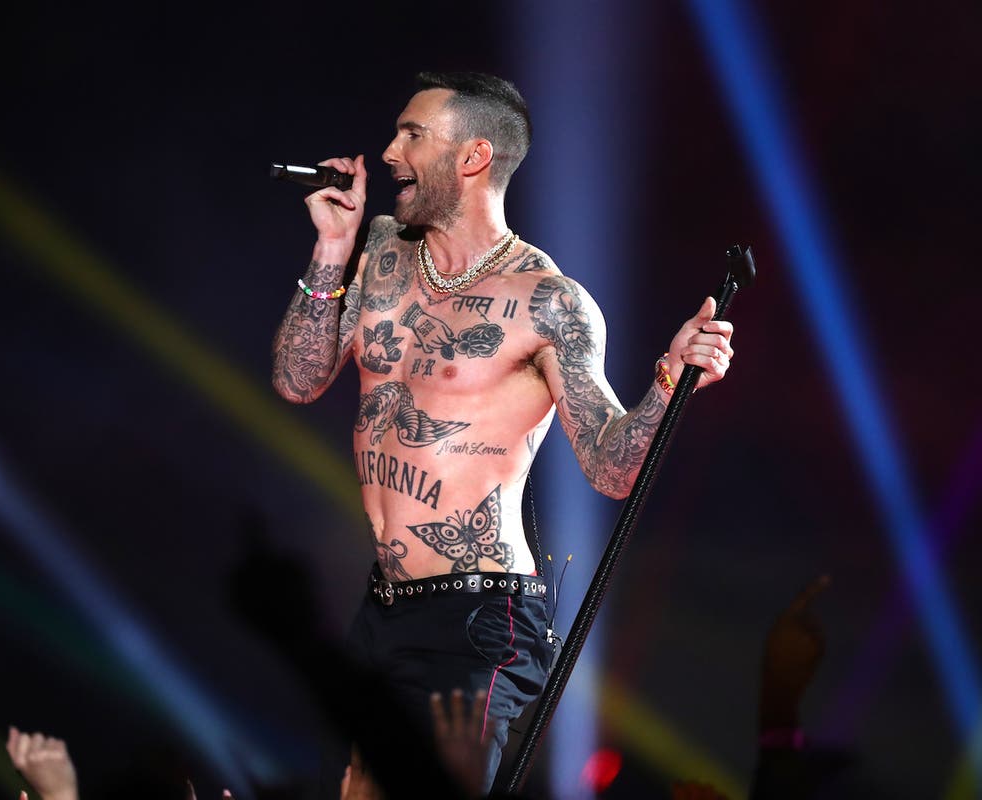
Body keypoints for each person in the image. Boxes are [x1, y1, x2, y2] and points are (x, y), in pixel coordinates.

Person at [270, 71, 734, 790]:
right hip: (382, 604)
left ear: (473, 156)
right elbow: (298, 381)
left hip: (476, 616)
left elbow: (612, 469)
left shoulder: (549, 303)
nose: (389, 152)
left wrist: (669, 384)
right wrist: (332, 248)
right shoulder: (382, 250)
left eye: (412, 134)